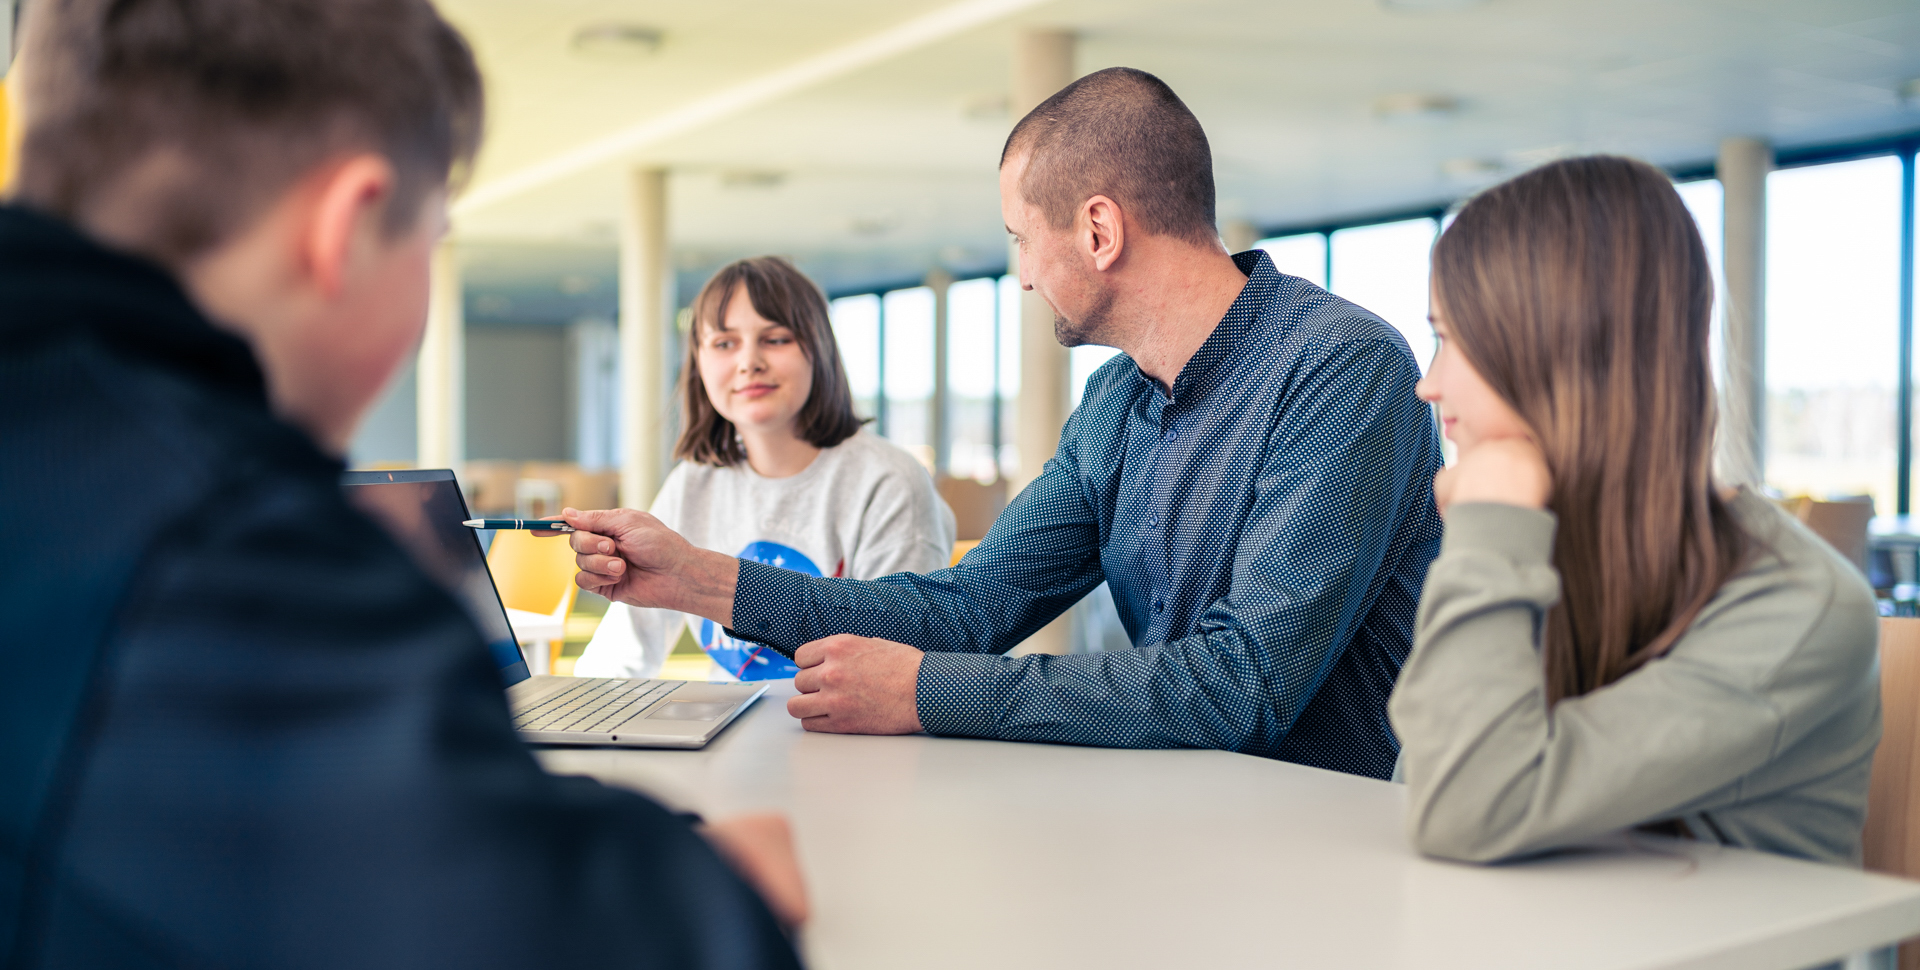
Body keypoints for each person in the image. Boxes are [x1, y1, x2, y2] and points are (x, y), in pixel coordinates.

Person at [0, 0, 804, 965]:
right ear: (349, 225)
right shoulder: (218, 538)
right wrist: (715, 882)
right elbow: (610, 937)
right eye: (432, 236)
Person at [561, 68, 1444, 779]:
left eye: (1021, 238)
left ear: (1099, 229)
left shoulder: (1341, 367)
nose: (1021, 275)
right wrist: (696, 580)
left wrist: (929, 693)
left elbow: (1241, 685)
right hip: (1195, 811)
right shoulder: (1117, 404)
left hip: (1337, 837)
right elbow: (969, 606)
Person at [1389, 155, 1880, 865]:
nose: (1428, 387)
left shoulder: (1799, 607)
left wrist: (1490, 533)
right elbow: (1424, 781)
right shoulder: (1545, 546)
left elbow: (1463, 806)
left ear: (1555, 351)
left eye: (1449, 338)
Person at [574, 257, 954, 681]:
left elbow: (902, 663)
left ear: (820, 349)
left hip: (849, 736)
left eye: (775, 339)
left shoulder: (888, 481)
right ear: (698, 363)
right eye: (723, 343)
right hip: (729, 732)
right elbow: (623, 650)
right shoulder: (694, 482)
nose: (749, 361)